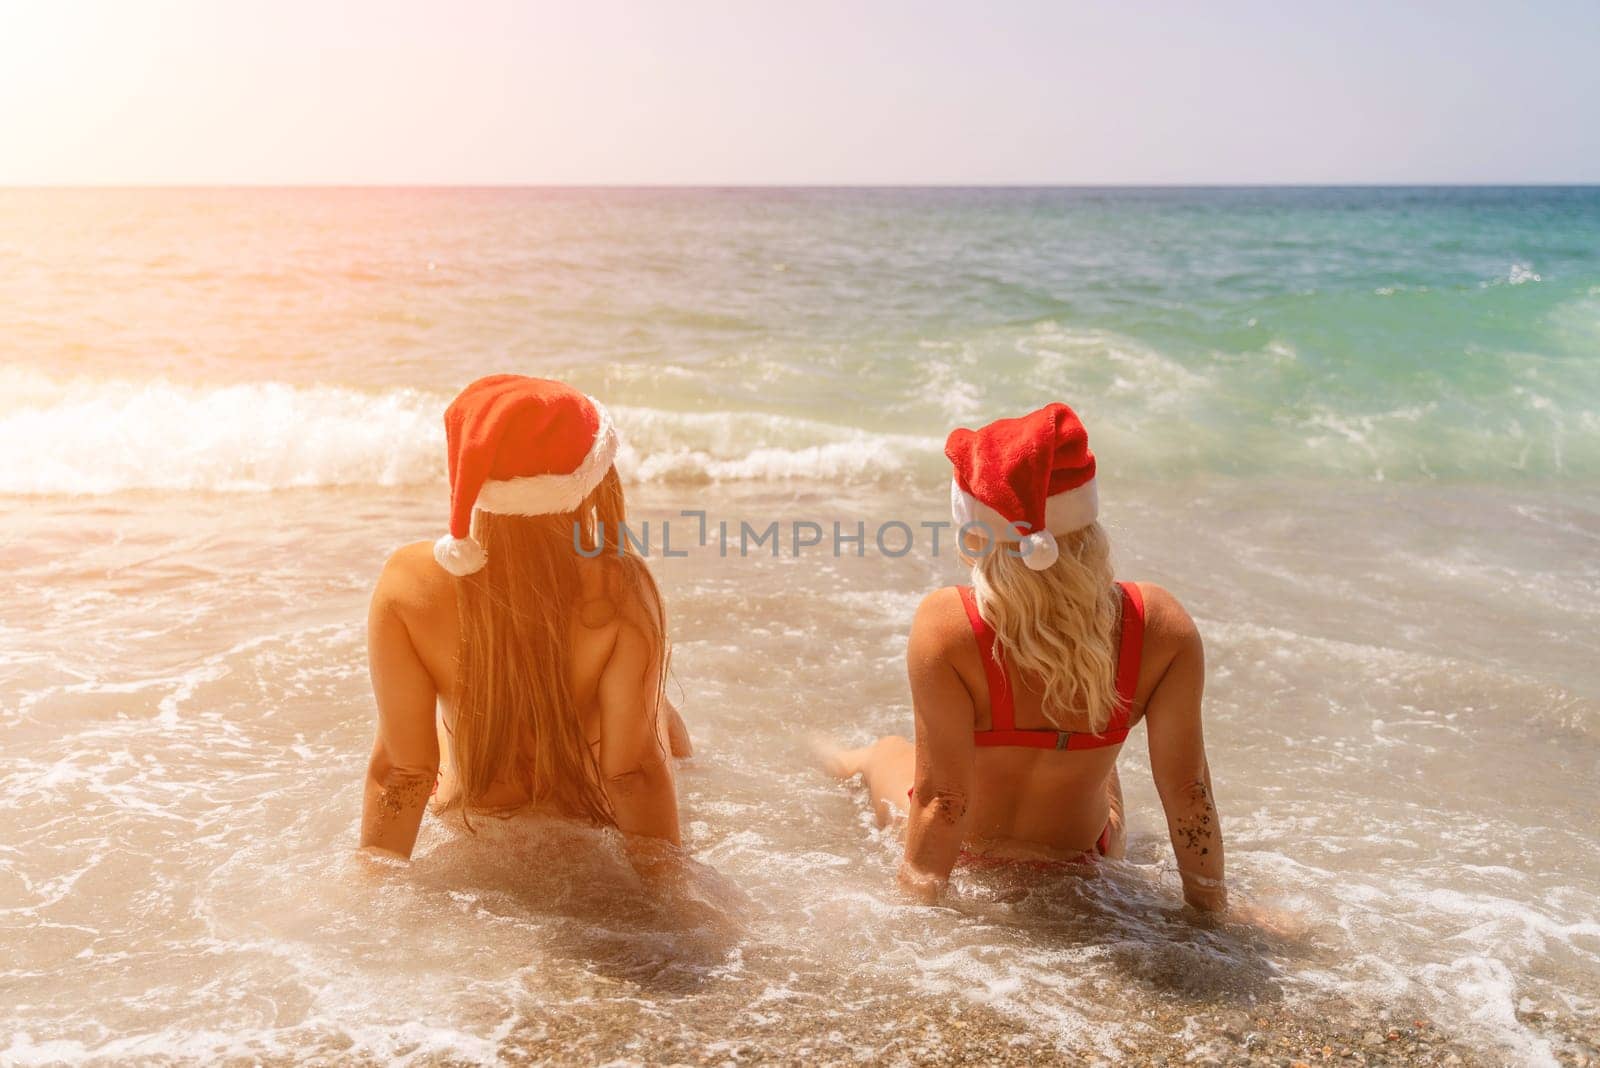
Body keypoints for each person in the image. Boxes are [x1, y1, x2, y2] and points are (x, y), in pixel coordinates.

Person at [822, 403, 1227, 913]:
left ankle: (847, 757)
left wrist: (915, 914)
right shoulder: (1159, 624)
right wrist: (1213, 912)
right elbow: (1188, 792)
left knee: (886, 751)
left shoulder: (947, 624)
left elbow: (941, 802)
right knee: (1101, 754)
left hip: (967, 855)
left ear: (976, 532)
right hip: (1084, 858)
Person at [358, 374, 692, 882]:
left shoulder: (408, 581)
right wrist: (667, 894)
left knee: (444, 732)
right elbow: (633, 773)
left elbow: (403, 772)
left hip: (472, 805)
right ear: (591, 479)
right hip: (586, 806)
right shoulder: (617, 588)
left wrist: (372, 886)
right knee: (662, 716)